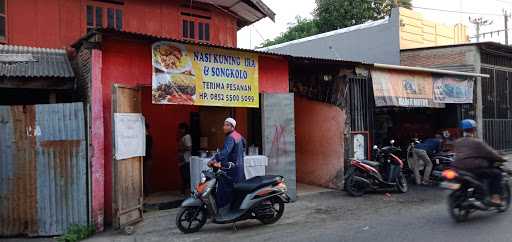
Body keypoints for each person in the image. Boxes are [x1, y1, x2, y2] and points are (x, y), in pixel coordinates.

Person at [452, 119, 507, 206]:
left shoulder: (457, 142)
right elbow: (490, 153)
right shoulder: (477, 142)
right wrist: (501, 159)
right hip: (474, 169)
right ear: (474, 129)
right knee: (497, 173)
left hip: (457, 169)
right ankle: (495, 198)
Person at [208, 117, 246, 215]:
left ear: (232, 127)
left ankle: (223, 211)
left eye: (226, 125)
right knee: (237, 189)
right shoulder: (238, 135)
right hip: (239, 168)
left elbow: (225, 152)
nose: (223, 127)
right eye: (224, 125)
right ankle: (235, 209)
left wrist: (214, 159)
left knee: (224, 189)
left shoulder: (230, 137)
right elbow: (244, 145)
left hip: (231, 169)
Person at [178, 122, 192, 195]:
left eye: (181, 129)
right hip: (183, 159)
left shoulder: (187, 137)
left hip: (185, 159)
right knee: (184, 176)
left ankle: (187, 192)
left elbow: (189, 148)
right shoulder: (184, 137)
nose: (180, 130)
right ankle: (184, 192)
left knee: (186, 176)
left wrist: (180, 149)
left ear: (185, 129)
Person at [144, 123, 153, 196]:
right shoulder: (148, 137)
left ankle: (148, 194)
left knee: (146, 178)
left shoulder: (148, 138)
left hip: (147, 159)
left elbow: (147, 149)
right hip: (147, 159)